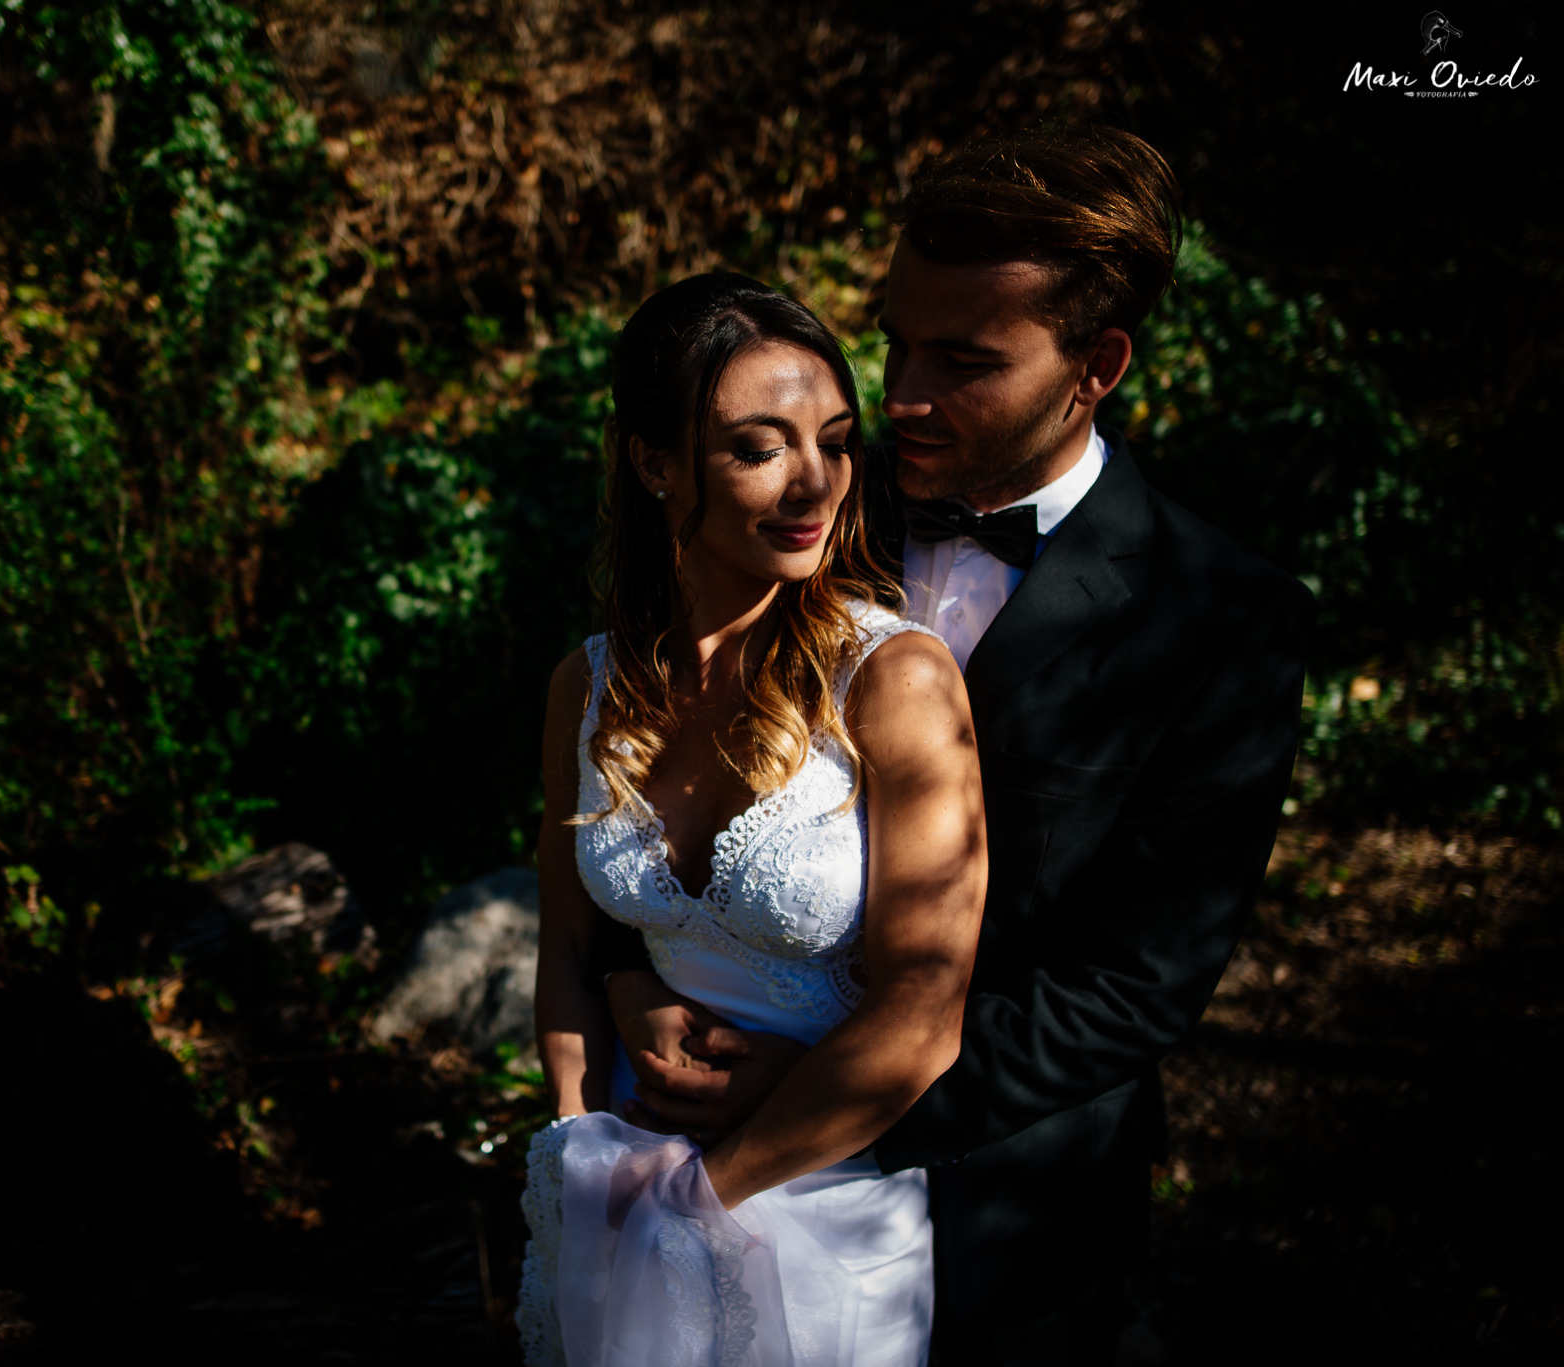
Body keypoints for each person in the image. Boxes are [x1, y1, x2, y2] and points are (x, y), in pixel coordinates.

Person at [600, 126, 1313, 1364]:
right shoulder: (794, 502)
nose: (905, 393)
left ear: (1095, 366)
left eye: (963, 361)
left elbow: (1131, 986)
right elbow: (628, 767)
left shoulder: (1216, 618)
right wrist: (634, 980)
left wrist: (831, 1093)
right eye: (897, 342)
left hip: (1006, 1210)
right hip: (689, 1151)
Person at [517, 272, 988, 1367]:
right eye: (757, 446)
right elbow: (567, 947)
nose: (813, 483)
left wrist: (698, 1203)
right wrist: (583, 1150)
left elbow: (922, 1007)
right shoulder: (581, 688)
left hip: (827, 1205)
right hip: (626, 1181)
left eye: (833, 439)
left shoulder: (894, 679)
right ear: (652, 463)